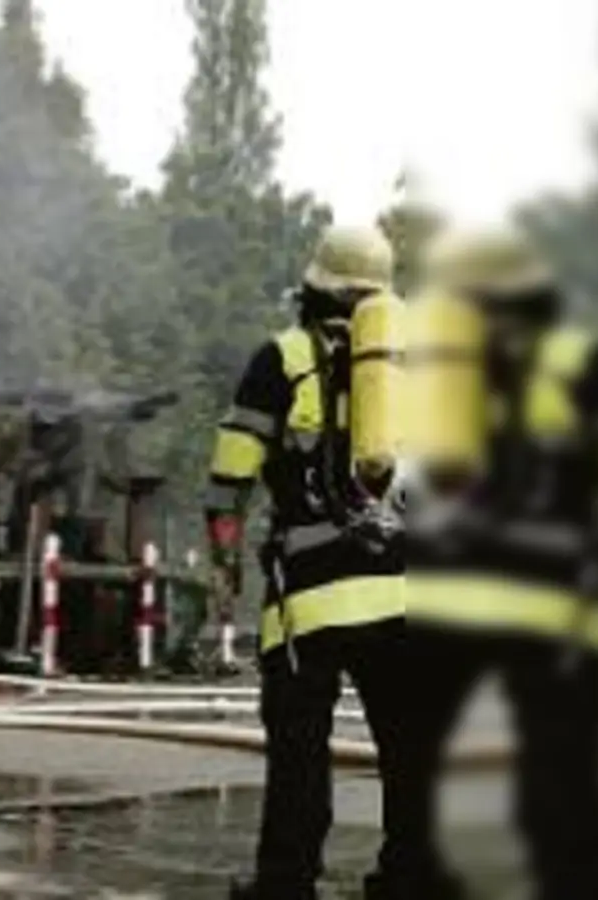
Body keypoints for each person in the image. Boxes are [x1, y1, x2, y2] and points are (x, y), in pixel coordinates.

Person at [400, 226, 598, 900]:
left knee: (409, 782)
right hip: (552, 607)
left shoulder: (436, 371)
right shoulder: (593, 365)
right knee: (560, 784)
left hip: (434, 603)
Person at [206, 225, 418, 899]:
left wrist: (225, 568)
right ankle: (411, 878)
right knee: (410, 747)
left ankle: (287, 882)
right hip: (398, 593)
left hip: (308, 597)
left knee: (300, 751)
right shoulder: (409, 367)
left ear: (314, 286)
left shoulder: (280, 358)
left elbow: (229, 479)